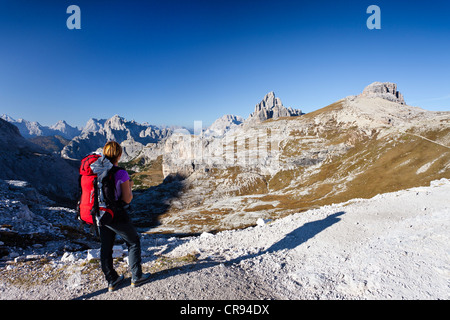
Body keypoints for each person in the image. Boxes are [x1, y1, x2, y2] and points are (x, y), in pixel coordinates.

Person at [100, 141, 150, 292]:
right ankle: (137, 277)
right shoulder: (121, 173)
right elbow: (127, 199)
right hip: (116, 215)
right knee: (133, 242)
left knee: (106, 247)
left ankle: (112, 280)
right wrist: (129, 186)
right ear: (120, 155)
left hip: (101, 215)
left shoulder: (97, 170)